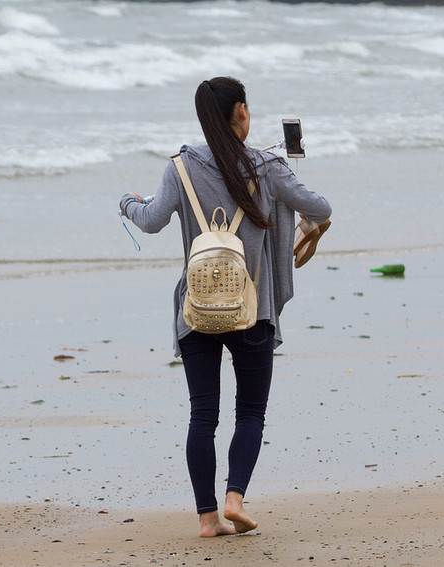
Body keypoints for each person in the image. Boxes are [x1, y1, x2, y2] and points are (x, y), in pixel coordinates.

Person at [119, 77, 331, 537]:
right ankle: (235, 497)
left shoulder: (180, 168)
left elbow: (151, 220)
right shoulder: (268, 167)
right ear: (241, 112)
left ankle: (207, 518)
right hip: (251, 310)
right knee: (250, 412)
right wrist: (286, 173)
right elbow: (319, 206)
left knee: (202, 416)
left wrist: (127, 203)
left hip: (197, 311)